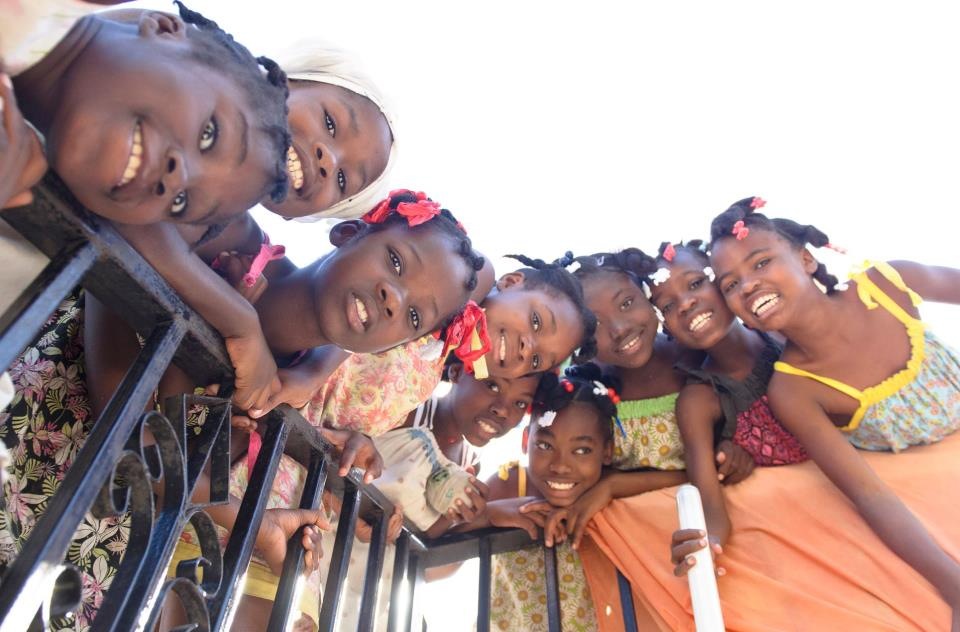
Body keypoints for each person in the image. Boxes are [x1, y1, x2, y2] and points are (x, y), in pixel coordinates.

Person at [705, 196, 960, 625]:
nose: (747, 285)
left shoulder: (887, 285)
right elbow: (872, 496)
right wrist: (954, 588)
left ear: (806, 259)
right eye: (730, 285)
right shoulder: (794, 391)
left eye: (761, 263)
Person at [645, 239, 805, 556]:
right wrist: (705, 547)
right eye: (667, 306)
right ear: (666, 328)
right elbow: (713, 513)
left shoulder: (783, 335)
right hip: (789, 530)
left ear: (723, 281)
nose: (685, 304)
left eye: (695, 284)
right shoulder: (698, 402)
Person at [458, 369, 617, 631]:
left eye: (581, 450)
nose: (561, 466)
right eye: (544, 446)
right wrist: (489, 514)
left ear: (607, 451)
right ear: (525, 441)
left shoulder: (609, 494)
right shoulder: (508, 485)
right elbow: (434, 570)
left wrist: (612, 487)